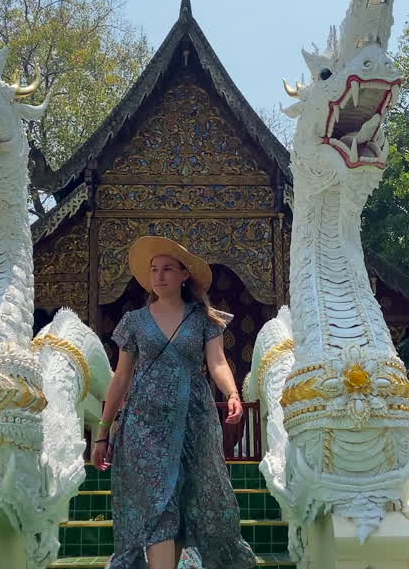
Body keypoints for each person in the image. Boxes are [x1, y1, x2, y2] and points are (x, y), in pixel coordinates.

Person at [92, 236, 258, 569]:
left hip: (192, 423)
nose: (160, 276)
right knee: (158, 504)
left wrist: (232, 393)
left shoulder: (203, 319)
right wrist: (103, 431)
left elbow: (218, 362)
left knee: (188, 502)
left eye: (168, 268)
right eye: (155, 270)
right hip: (142, 424)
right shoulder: (134, 322)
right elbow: (121, 378)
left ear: (185, 275)